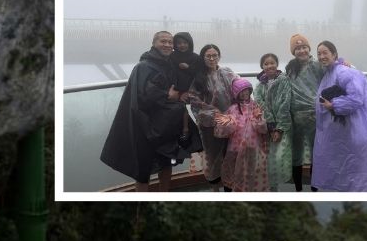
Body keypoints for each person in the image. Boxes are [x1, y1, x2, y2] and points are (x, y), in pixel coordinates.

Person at [99, 31, 201, 192]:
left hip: (165, 124)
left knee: (167, 162)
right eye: (163, 41)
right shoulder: (144, 66)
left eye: (169, 42)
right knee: (143, 168)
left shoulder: (168, 64)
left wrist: (181, 94)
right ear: (154, 43)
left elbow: (180, 84)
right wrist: (167, 95)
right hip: (145, 124)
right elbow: (143, 94)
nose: (167, 44)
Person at [312, 41, 367, 192]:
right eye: (319, 53)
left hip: (356, 129)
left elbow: (356, 98)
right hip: (347, 129)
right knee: (350, 168)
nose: (321, 56)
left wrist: (334, 105)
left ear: (334, 54)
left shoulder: (344, 72)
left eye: (325, 52)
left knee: (358, 169)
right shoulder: (331, 72)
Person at [284, 34, 327, 191]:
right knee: (297, 155)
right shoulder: (290, 69)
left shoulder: (317, 66)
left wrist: (344, 63)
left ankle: (314, 189)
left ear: (309, 49)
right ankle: (298, 189)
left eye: (304, 47)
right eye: (297, 48)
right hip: (295, 117)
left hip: (314, 115)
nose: (301, 51)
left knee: (316, 153)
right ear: (293, 52)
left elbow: (333, 70)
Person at [191, 43, 237, 189]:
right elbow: (195, 102)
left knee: (230, 154)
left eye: (214, 55)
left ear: (219, 56)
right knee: (212, 157)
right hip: (209, 126)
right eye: (208, 56)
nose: (212, 58)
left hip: (230, 123)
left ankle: (229, 187)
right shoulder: (198, 78)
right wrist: (216, 115)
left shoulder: (227, 73)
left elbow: (239, 91)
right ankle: (215, 188)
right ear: (203, 58)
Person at [212, 77, 268, 192]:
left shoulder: (256, 106)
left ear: (250, 90)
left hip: (253, 147)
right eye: (240, 91)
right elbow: (224, 132)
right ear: (236, 94)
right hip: (235, 149)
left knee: (252, 173)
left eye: (246, 90)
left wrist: (258, 119)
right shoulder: (232, 109)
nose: (244, 93)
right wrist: (227, 123)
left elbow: (263, 130)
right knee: (235, 173)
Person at [252, 52, 293, 191]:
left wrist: (279, 128)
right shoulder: (259, 86)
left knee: (280, 156)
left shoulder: (284, 80)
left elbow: (285, 104)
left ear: (277, 64)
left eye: (272, 63)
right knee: (267, 159)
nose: (269, 66)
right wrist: (269, 124)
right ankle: (271, 189)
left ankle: (279, 186)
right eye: (266, 64)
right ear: (262, 66)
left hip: (281, 125)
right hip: (266, 127)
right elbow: (259, 104)